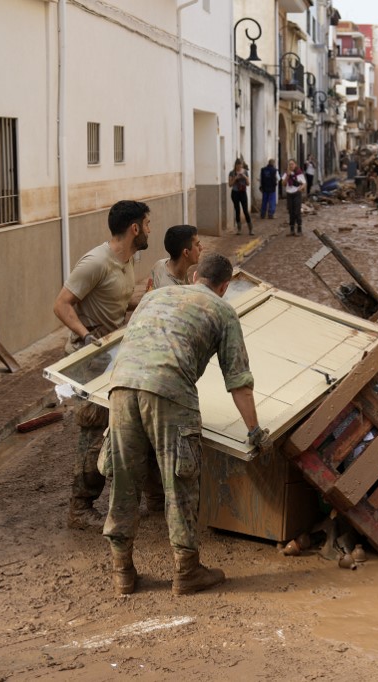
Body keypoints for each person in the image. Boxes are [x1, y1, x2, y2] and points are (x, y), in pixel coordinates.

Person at [103, 252, 272, 596]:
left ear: (195, 277)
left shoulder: (153, 296)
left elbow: (131, 345)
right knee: (179, 481)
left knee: (123, 479)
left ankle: (122, 572)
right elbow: (238, 379)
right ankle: (187, 571)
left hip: (121, 387)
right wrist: (254, 431)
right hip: (169, 392)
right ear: (224, 287)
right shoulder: (223, 310)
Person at [53, 199, 151, 530]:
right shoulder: (96, 262)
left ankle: (120, 499)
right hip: (88, 362)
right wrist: (85, 335)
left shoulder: (127, 260)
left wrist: (148, 302)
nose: (150, 230)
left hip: (111, 358)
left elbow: (115, 302)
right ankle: (79, 508)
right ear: (135, 228)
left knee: (121, 426)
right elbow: (62, 305)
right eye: (147, 224)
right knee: (94, 430)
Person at [148, 224, 202, 291]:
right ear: (186, 252)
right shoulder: (171, 291)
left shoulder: (160, 264)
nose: (201, 248)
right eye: (197, 244)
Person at [229, 160, 252, 235]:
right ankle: (239, 229)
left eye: (240, 166)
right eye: (238, 166)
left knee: (245, 210)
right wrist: (235, 178)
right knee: (237, 210)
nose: (239, 167)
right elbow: (230, 184)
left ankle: (250, 229)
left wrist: (244, 177)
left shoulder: (245, 172)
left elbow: (248, 183)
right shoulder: (232, 173)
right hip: (235, 193)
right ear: (235, 165)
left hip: (243, 193)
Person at [283, 159, 306, 236]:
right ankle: (292, 229)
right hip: (289, 194)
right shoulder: (286, 173)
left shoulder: (299, 173)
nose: (291, 166)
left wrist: (300, 187)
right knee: (291, 211)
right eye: (289, 164)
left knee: (297, 211)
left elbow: (304, 183)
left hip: (296, 194)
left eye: (292, 164)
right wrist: (288, 176)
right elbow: (283, 183)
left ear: (295, 165)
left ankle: (299, 229)